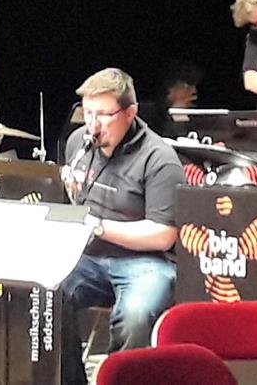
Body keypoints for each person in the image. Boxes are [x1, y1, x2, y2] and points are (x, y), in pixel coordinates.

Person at [59, 68, 184, 385]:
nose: (93, 124)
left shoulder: (159, 159)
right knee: (45, 294)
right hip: (89, 258)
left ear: (130, 113)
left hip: (146, 262)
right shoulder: (77, 143)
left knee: (135, 315)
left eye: (104, 115)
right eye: (88, 113)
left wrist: (99, 227)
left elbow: (163, 235)